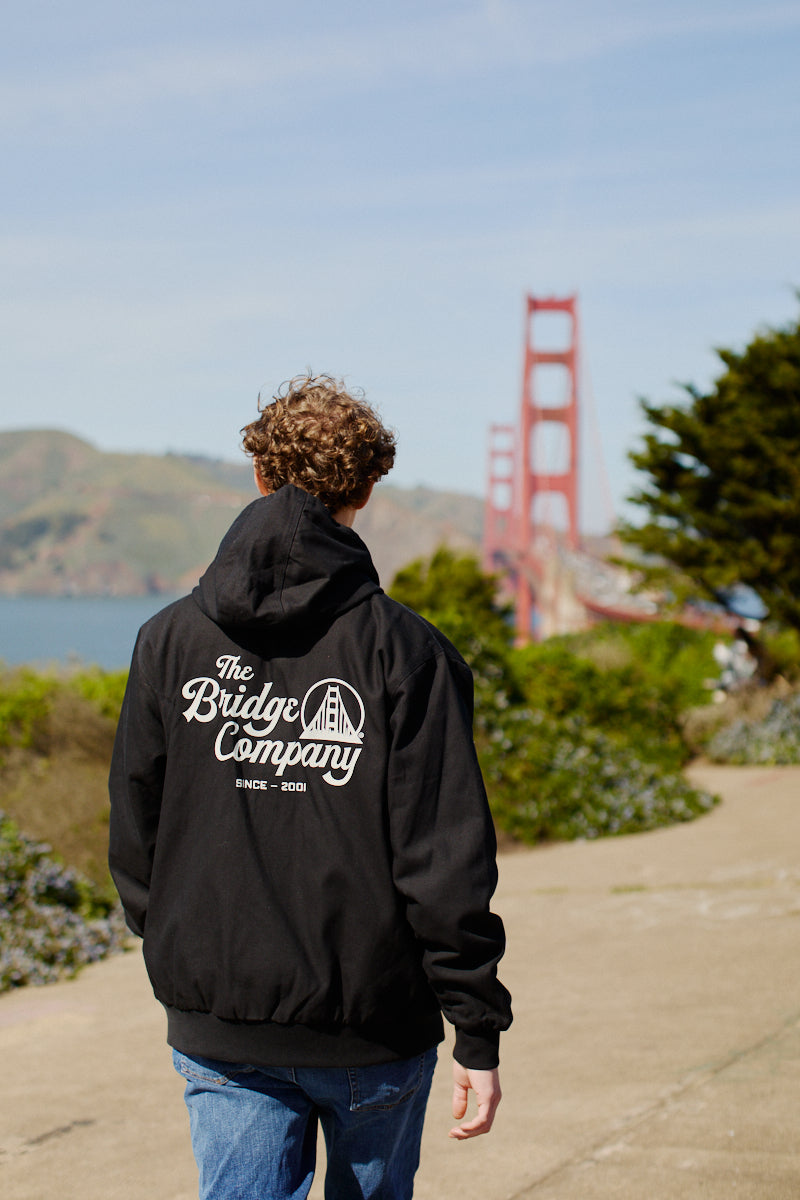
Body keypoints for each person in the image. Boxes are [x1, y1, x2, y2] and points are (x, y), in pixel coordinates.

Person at [108, 373, 512, 1200]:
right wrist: (476, 1028)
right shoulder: (410, 654)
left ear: (258, 474)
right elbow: (444, 860)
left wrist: (183, 948)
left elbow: (134, 824)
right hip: (375, 1027)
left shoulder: (168, 641)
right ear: (366, 489)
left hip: (222, 1023)